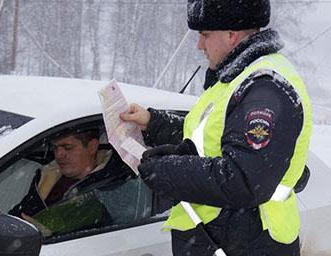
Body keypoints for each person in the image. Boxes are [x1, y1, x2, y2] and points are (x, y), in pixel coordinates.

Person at [120, 0, 312, 255]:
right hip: (222, 238)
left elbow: (244, 179)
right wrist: (154, 123)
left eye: (204, 35)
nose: (200, 45)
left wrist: (166, 171)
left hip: (246, 243)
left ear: (231, 35)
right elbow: (211, 138)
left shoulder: (265, 88)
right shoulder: (235, 80)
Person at [9, 128, 132, 236]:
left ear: (92, 147)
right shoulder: (47, 175)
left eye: (68, 147)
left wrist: (48, 236)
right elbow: (19, 213)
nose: (59, 155)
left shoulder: (111, 186)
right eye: (55, 147)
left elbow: (105, 239)